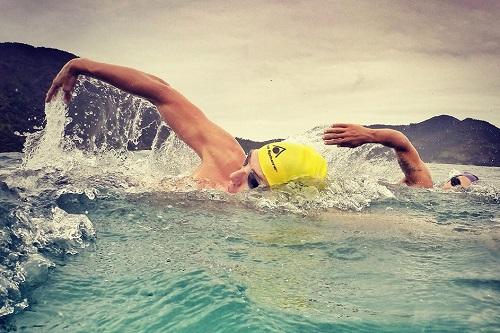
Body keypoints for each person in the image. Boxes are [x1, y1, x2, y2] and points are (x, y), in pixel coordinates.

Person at [46, 58, 432, 192]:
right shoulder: (223, 159)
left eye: (252, 181)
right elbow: (163, 93)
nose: (234, 174)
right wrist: (81, 65)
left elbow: (420, 187)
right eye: (248, 163)